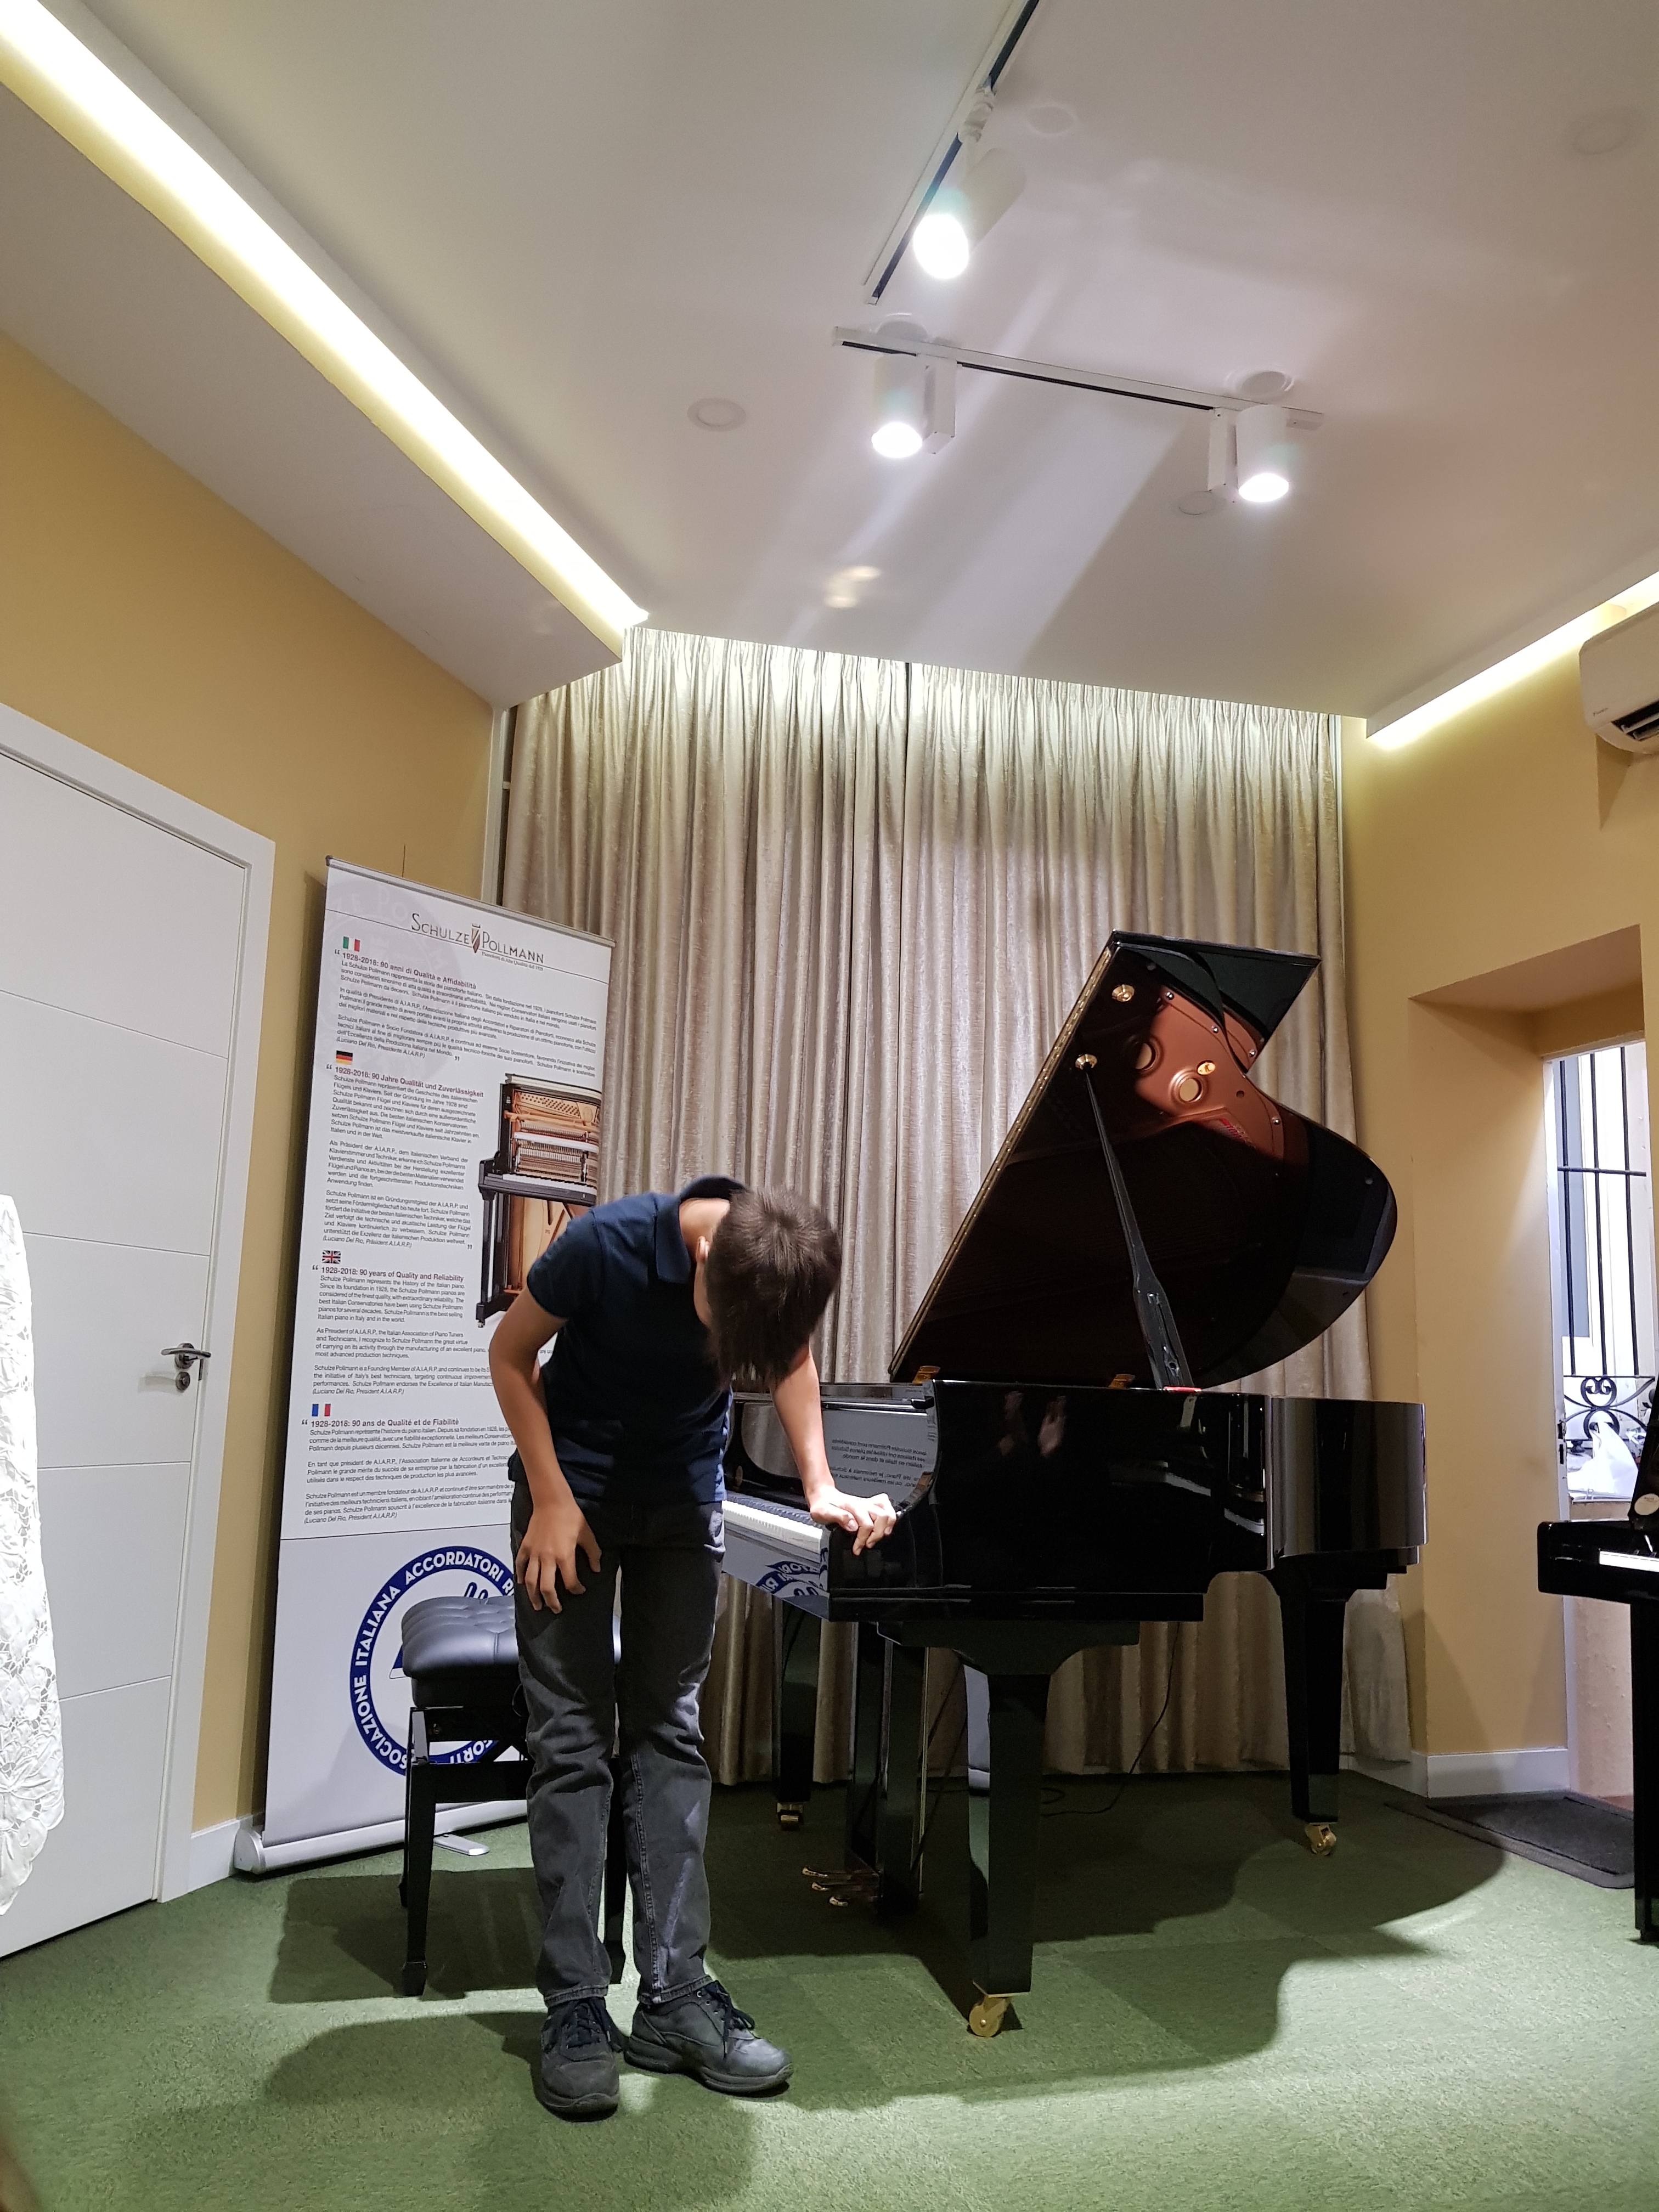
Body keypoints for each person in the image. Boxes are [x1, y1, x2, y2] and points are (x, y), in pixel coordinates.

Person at [488, 1176, 895, 2121]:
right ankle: (576, 2004)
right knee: (572, 1741)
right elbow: (510, 1355)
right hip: (572, 1495)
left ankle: (673, 1998)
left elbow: (791, 1358)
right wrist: (549, 1496)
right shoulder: (605, 1246)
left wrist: (821, 1483)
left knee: (669, 1735)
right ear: (703, 1258)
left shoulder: (770, 1264)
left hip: (681, 1504)